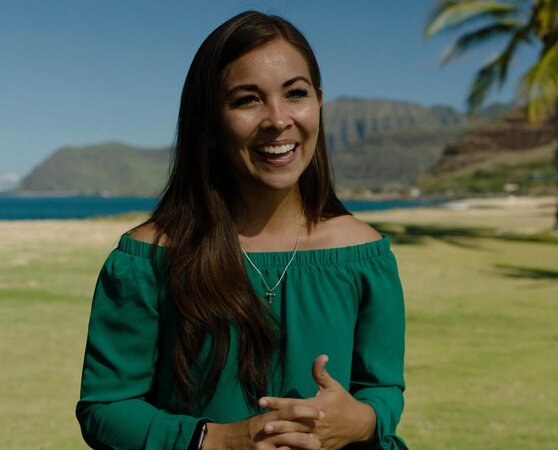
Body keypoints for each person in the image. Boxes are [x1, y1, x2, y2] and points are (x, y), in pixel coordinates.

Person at [76, 11, 407, 450]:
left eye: (295, 94)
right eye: (247, 100)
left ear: (319, 104)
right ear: (209, 124)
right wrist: (215, 440)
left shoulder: (365, 254)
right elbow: (105, 408)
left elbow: (383, 390)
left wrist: (361, 421)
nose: (278, 119)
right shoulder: (146, 261)